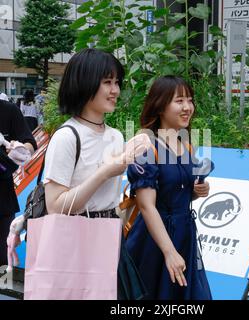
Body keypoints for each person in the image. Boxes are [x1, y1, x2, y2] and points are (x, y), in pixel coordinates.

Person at [43, 48, 147, 300]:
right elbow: (56, 205)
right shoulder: (67, 137)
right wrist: (105, 172)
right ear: (85, 82)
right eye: (107, 82)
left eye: (117, 83)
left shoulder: (115, 135)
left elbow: (111, 198)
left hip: (110, 237)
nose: (115, 90)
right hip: (77, 242)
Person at [126, 76, 213, 300]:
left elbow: (178, 191)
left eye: (190, 100)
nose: (187, 107)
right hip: (154, 241)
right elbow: (147, 206)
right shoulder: (146, 146)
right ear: (161, 105)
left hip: (185, 234)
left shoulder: (186, 143)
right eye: (179, 101)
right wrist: (169, 251)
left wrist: (197, 191)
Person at [0, 99, 37, 267]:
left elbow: (29, 142)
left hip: (3, 201)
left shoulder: (8, 110)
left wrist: (20, 149)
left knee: (2, 261)